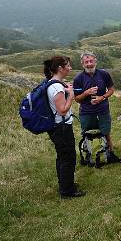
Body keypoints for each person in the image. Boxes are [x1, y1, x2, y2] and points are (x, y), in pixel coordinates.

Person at [44, 56, 85, 198]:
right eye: (68, 65)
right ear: (60, 68)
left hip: (57, 126)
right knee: (68, 157)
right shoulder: (56, 87)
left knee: (62, 157)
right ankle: (67, 191)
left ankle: (65, 185)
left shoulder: (53, 83)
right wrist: (71, 95)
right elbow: (62, 110)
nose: (70, 68)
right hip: (61, 127)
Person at [73, 51, 117, 164]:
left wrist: (102, 97)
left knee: (106, 132)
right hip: (86, 112)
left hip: (103, 110)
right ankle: (87, 156)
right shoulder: (78, 78)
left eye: (91, 61)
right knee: (86, 134)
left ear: (95, 61)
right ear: (82, 64)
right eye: (86, 62)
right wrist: (86, 93)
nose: (89, 64)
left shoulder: (104, 74)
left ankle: (111, 153)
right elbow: (77, 99)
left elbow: (111, 89)